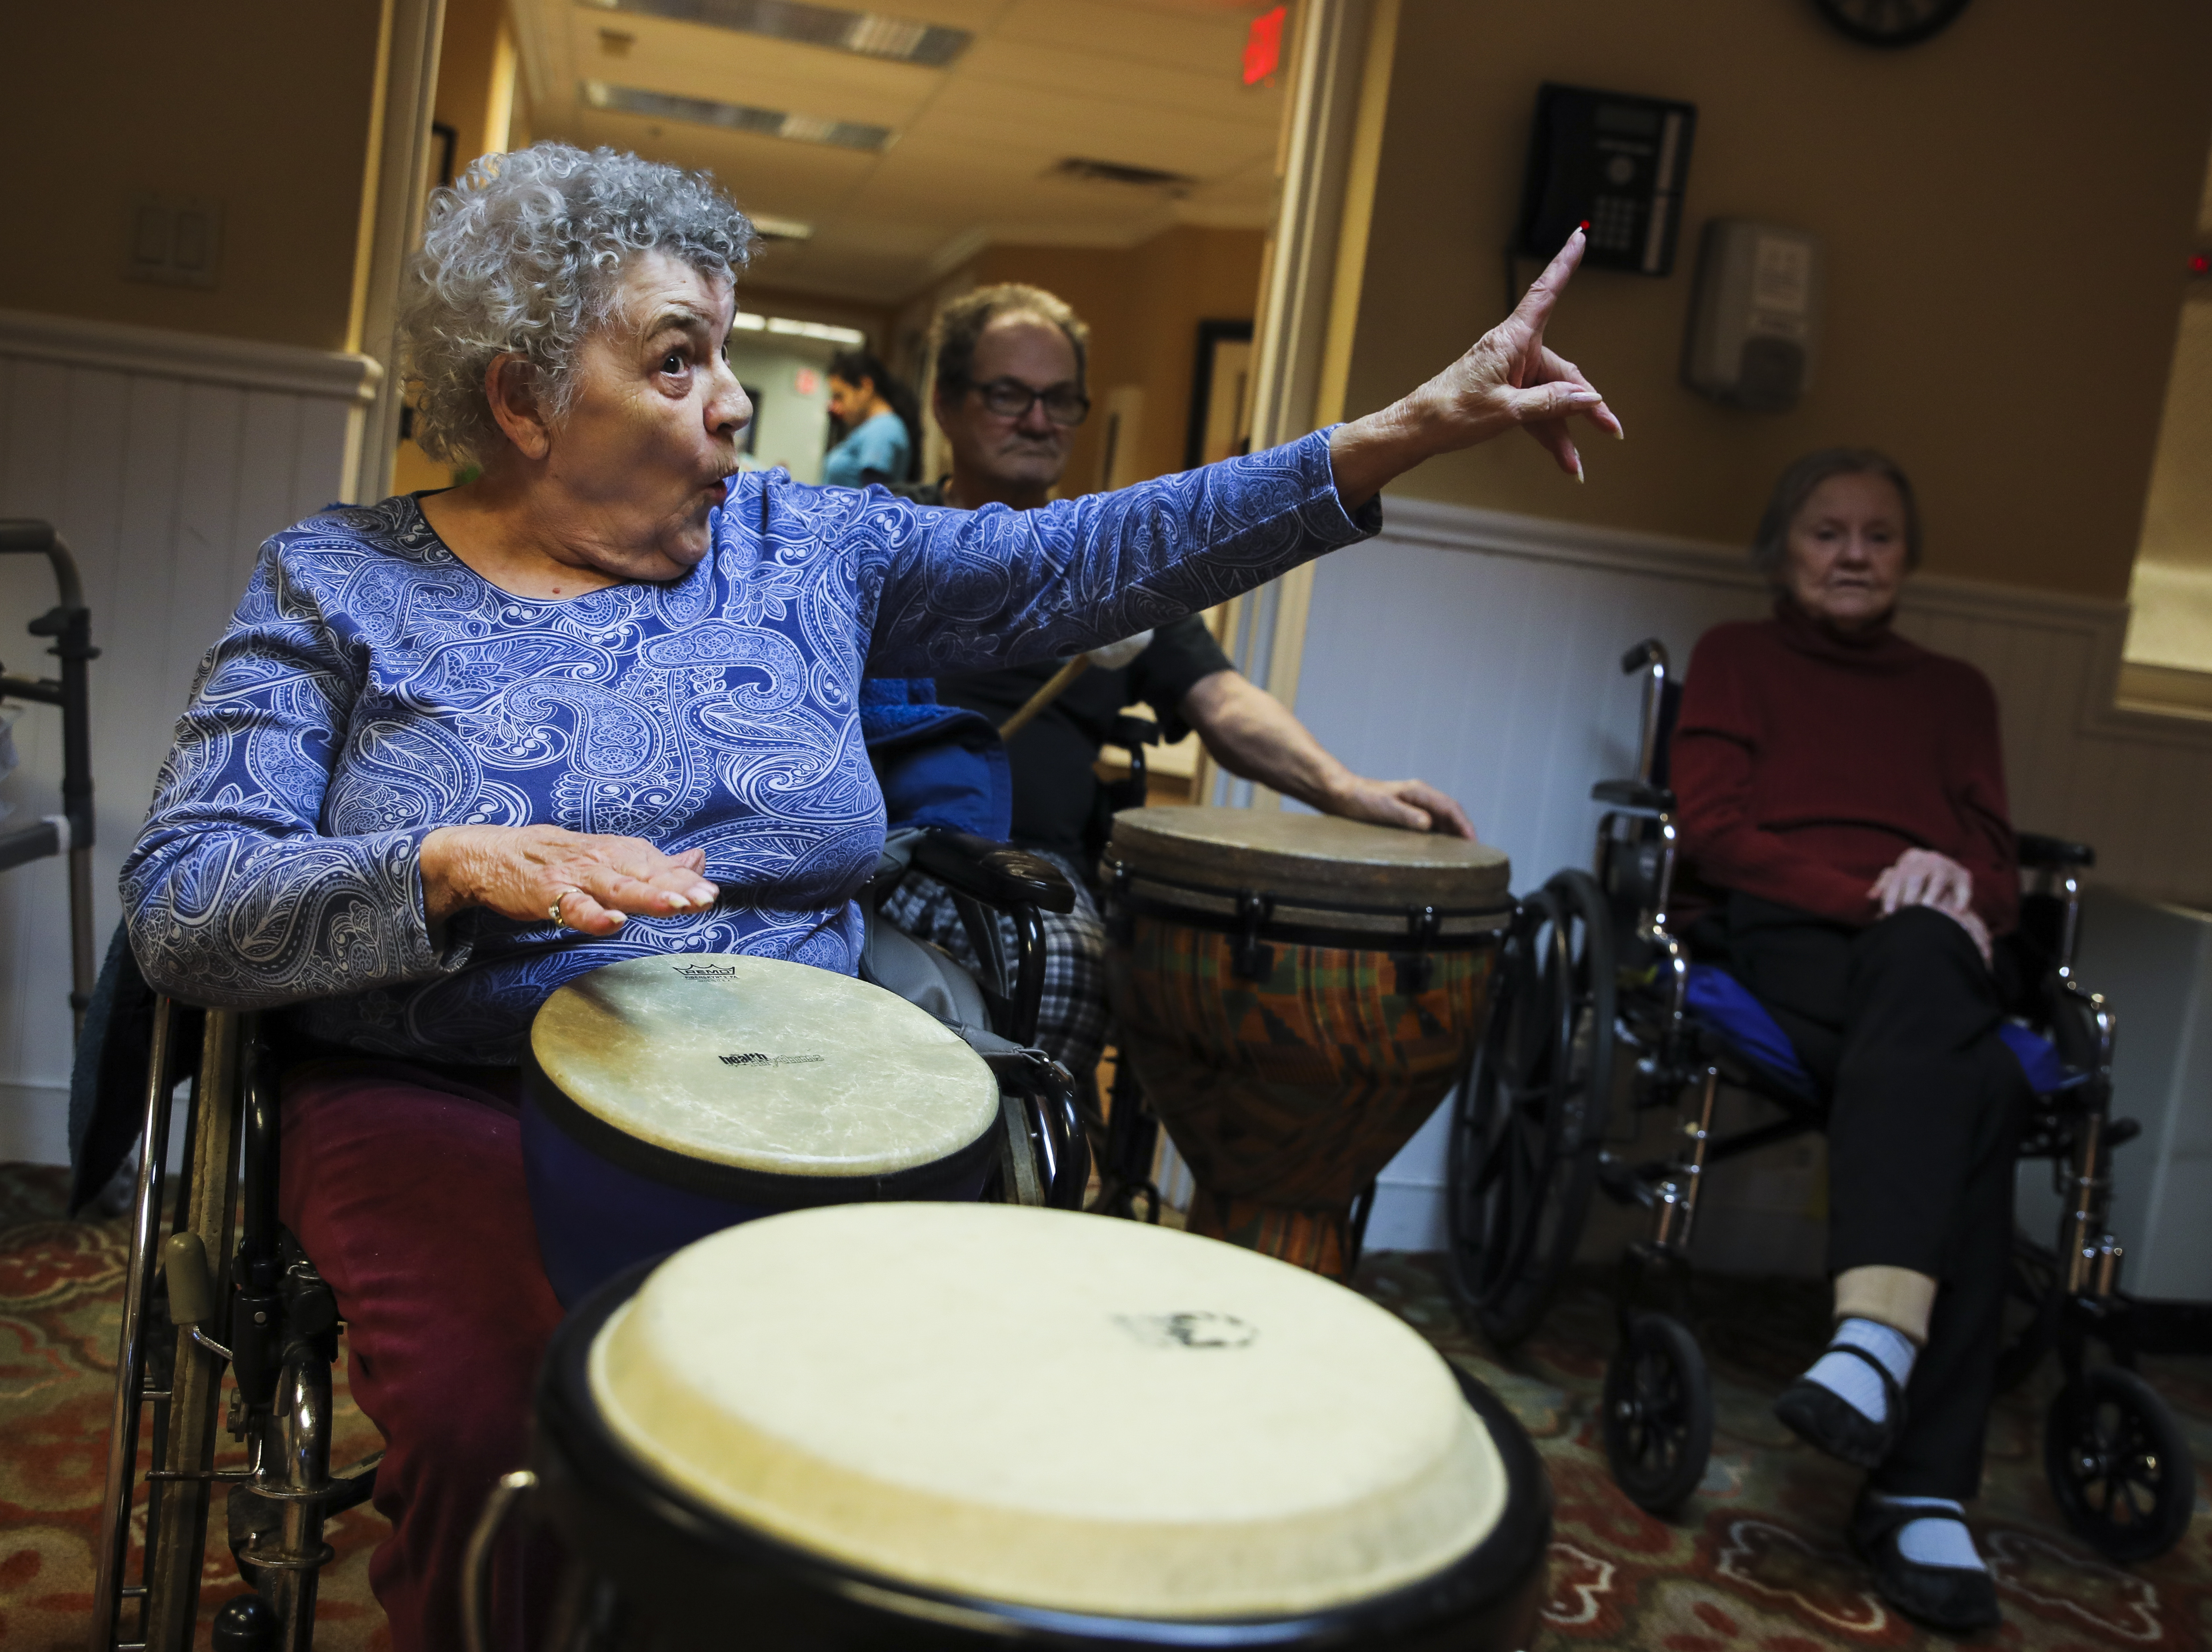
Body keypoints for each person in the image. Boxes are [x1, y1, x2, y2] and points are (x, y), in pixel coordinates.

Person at [119, 141, 1617, 1652]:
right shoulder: (340, 583)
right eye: (676, 358)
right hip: (448, 1090)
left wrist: (1394, 436)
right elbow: (187, 894)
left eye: (726, 351)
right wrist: (450, 867)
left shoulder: (806, 544)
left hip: (801, 1099)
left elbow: (1080, 560)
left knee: (897, 1428)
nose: (731, 398)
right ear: (520, 399)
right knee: (506, 1418)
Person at [883, 283, 1477, 1087]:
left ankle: (1005, 1188)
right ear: (946, 405)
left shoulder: (1113, 573)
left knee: (1054, 962)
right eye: (1009, 395)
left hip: (1031, 867)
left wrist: (1344, 789)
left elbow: (1223, 700)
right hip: (888, 850)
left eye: (1061, 400)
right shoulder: (881, 540)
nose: (1038, 421)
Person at [1671, 449, 2022, 1634]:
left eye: (1879, 535)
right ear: (1782, 548)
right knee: (1968, 1074)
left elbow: (2000, 872)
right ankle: (1922, 1487)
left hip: (1924, 953)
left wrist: (1947, 894)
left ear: (1909, 558)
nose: (1855, 554)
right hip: (1796, 935)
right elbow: (1714, 835)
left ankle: (1872, 1342)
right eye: (1829, 532)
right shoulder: (1737, 658)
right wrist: (1882, 892)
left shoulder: (1958, 689)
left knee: (1940, 988)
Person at [821, 348, 912, 487]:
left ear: (865, 387)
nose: (836, 407)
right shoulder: (872, 428)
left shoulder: (883, 430)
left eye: (840, 396)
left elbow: (874, 499)